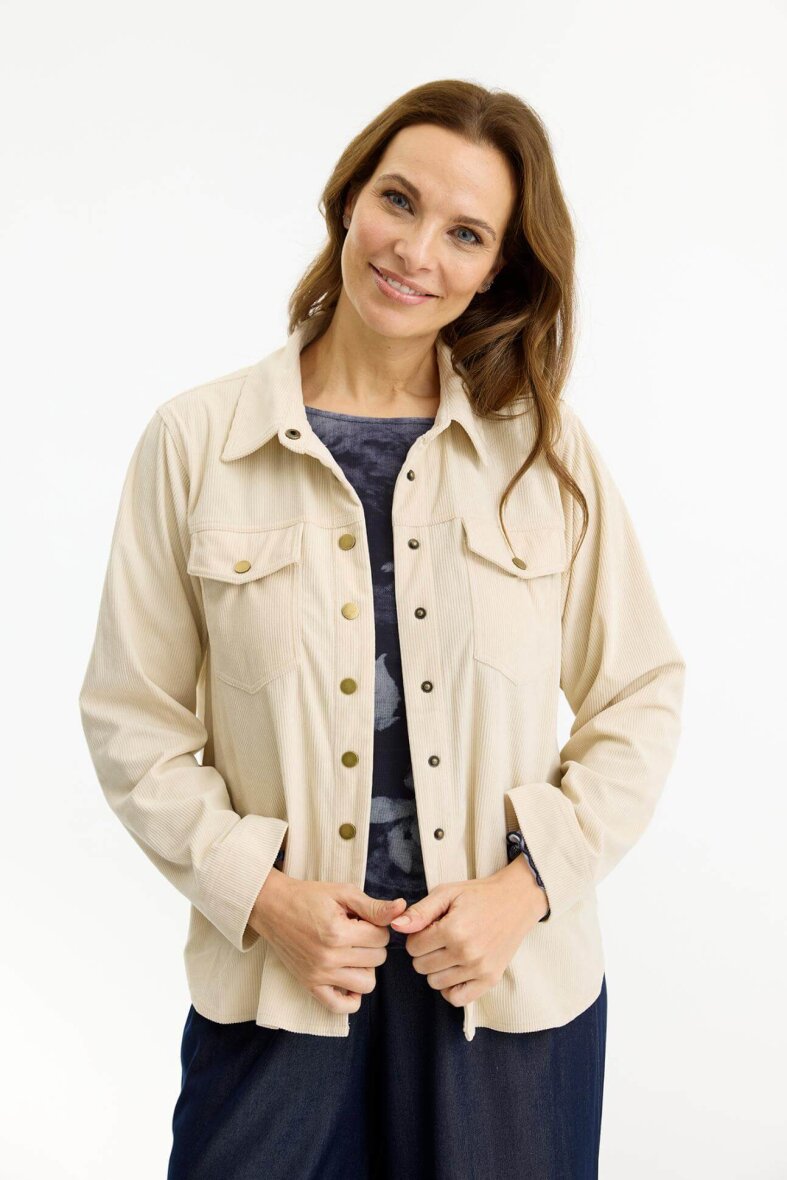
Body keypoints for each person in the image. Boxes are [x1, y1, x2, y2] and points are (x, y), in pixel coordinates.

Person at [78, 79, 686, 1179]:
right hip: (281, 986)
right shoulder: (195, 444)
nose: (415, 251)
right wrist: (262, 896)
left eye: (465, 233)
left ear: (496, 268)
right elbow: (133, 718)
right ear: (349, 199)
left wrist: (526, 890)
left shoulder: (543, 453)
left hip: (502, 998)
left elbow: (639, 692)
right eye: (398, 201)